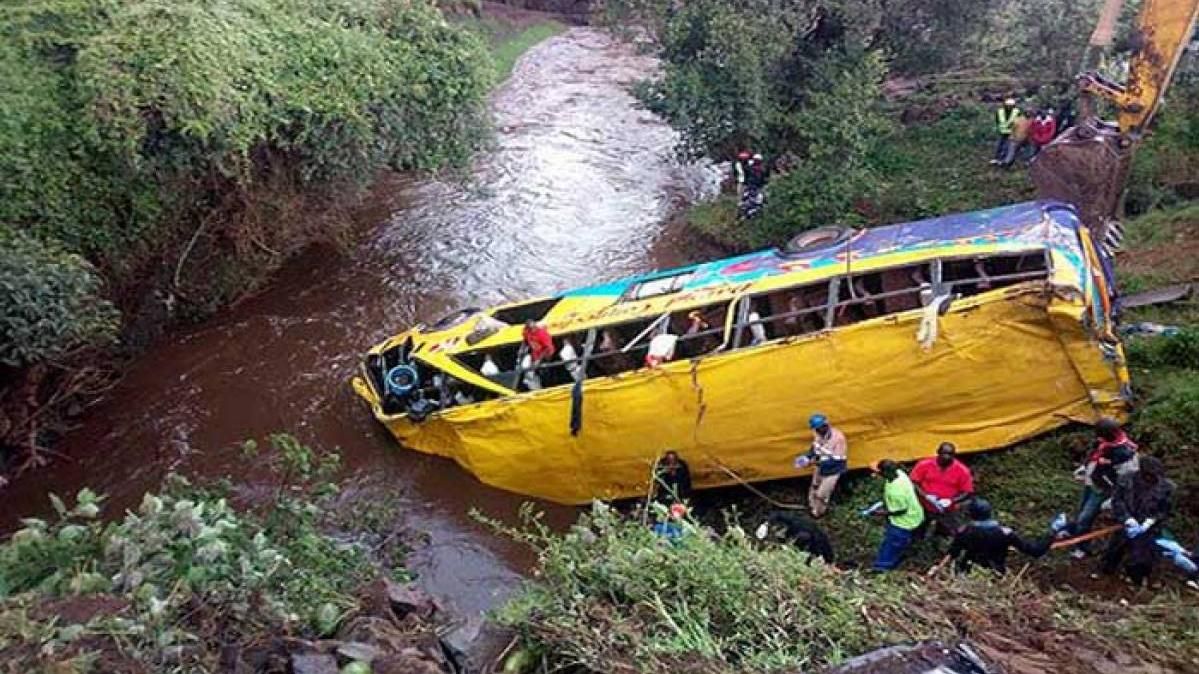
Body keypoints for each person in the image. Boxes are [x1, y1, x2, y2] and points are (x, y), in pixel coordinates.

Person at [1059, 418, 1139, 559]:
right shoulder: (1104, 443)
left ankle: (1082, 547)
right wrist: (1085, 468)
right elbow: (1094, 456)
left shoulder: (1124, 454)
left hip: (1103, 489)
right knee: (1081, 509)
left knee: (1085, 518)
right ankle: (1073, 530)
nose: (1097, 438)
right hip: (1093, 482)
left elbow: (1125, 480)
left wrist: (1114, 497)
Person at [1100, 456, 1174, 587]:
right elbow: (1117, 501)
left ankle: (1139, 578)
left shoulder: (1166, 488)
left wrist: (1150, 521)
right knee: (1116, 548)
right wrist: (1127, 518)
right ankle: (1106, 571)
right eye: (1149, 475)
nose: (1152, 478)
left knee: (1144, 554)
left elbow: (1165, 510)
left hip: (1148, 526)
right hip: (1127, 522)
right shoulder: (1126, 480)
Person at [948, 498, 1050, 573]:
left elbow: (952, 554)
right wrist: (1052, 533)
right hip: (995, 575)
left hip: (968, 574)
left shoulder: (964, 533)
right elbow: (1035, 551)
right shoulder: (1005, 533)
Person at [866, 459, 925, 571]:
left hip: (903, 522)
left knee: (891, 545)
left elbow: (900, 511)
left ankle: (882, 567)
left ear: (885, 473)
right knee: (902, 543)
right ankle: (903, 554)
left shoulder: (896, 492)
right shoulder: (901, 475)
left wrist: (879, 513)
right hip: (916, 513)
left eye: (880, 472)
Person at [910, 442, 974, 536]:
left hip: (946, 509)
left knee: (945, 530)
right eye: (944, 453)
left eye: (950, 454)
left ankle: (938, 539)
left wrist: (951, 501)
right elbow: (914, 482)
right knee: (919, 526)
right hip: (924, 505)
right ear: (938, 452)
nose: (946, 457)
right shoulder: (924, 464)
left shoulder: (962, 471)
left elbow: (967, 492)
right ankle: (918, 541)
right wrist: (925, 496)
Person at [794, 413, 848, 518]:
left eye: (818, 429)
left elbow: (839, 460)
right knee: (814, 486)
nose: (816, 432)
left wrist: (815, 463)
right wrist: (807, 457)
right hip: (820, 467)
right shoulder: (818, 433)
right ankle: (811, 506)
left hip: (833, 470)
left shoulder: (838, 439)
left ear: (825, 426)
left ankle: (819, 512)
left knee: (822, 494)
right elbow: (815, 448)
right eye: (815, 430)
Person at [756, 510, 834, 565]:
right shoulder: (791, 520)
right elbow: (777, 514)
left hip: (813, 545)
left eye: (778, 531)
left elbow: (820, 551)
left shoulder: (807, 536)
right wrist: (766, 524)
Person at [992, 98, 1021, 165]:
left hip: (1010, 132)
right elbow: (997, 121)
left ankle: (1002, 159)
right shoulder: (1000, 111)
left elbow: (1018, 122)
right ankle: (996, 158)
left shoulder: (1017, 112)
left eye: (1011, 105)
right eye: (1008, 105)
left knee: (1007, 146)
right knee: (999, 145)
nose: (1009, 107)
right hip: (1001, 131)